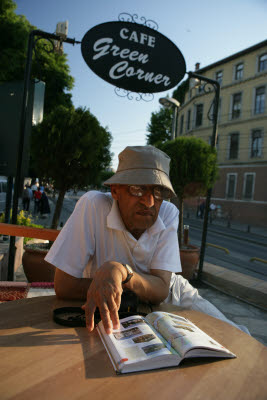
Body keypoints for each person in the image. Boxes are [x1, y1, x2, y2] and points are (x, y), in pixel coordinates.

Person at [45, 145, 249, 335]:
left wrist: (120, 271)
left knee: (234, 335)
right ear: (115, 190)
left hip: (173, 296)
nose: (149, 202)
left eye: (158, 191)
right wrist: (113, 285)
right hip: (127, 306)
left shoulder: (168, 213)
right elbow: (64, 286)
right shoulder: (93, 206)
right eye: (137, 188)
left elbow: (161, 288)